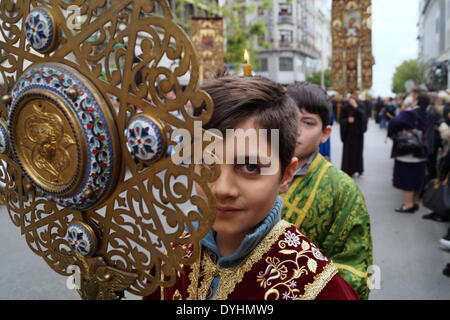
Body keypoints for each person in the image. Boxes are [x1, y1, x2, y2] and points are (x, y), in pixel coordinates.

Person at [144, 76, 358, 300]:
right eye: (206, 163)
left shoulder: (318, 288)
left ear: (286, 175)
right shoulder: (172, 259)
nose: (222, 189)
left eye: (250, 167)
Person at [281, 82, 373, 300]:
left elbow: (355, 267)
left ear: (325, 133)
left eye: (308, 122)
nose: (296, 129)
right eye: (289, 118)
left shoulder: (342, 189)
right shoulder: (253, 171)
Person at [387, 93, 430, 213]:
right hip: (422, 149)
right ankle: (415, 202)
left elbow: (394, 123)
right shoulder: (427, 113)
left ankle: (408, 205)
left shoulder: (410, 113)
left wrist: (392, 135)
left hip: (408, 151)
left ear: (416, 102)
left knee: (407, 180)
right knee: (418, 178)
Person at [340, 90, 368, 177]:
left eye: (358, 94)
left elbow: (364, 117)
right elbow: (341, 119)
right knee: (348, 152)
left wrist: (356, 107)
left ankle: (359, 169)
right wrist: (346, 121)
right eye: (355, 94)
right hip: (348, 133)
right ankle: (347, 170)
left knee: (358, 151)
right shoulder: (345, 106)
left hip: (358, 133)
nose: (357, 96)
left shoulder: (361, 105)